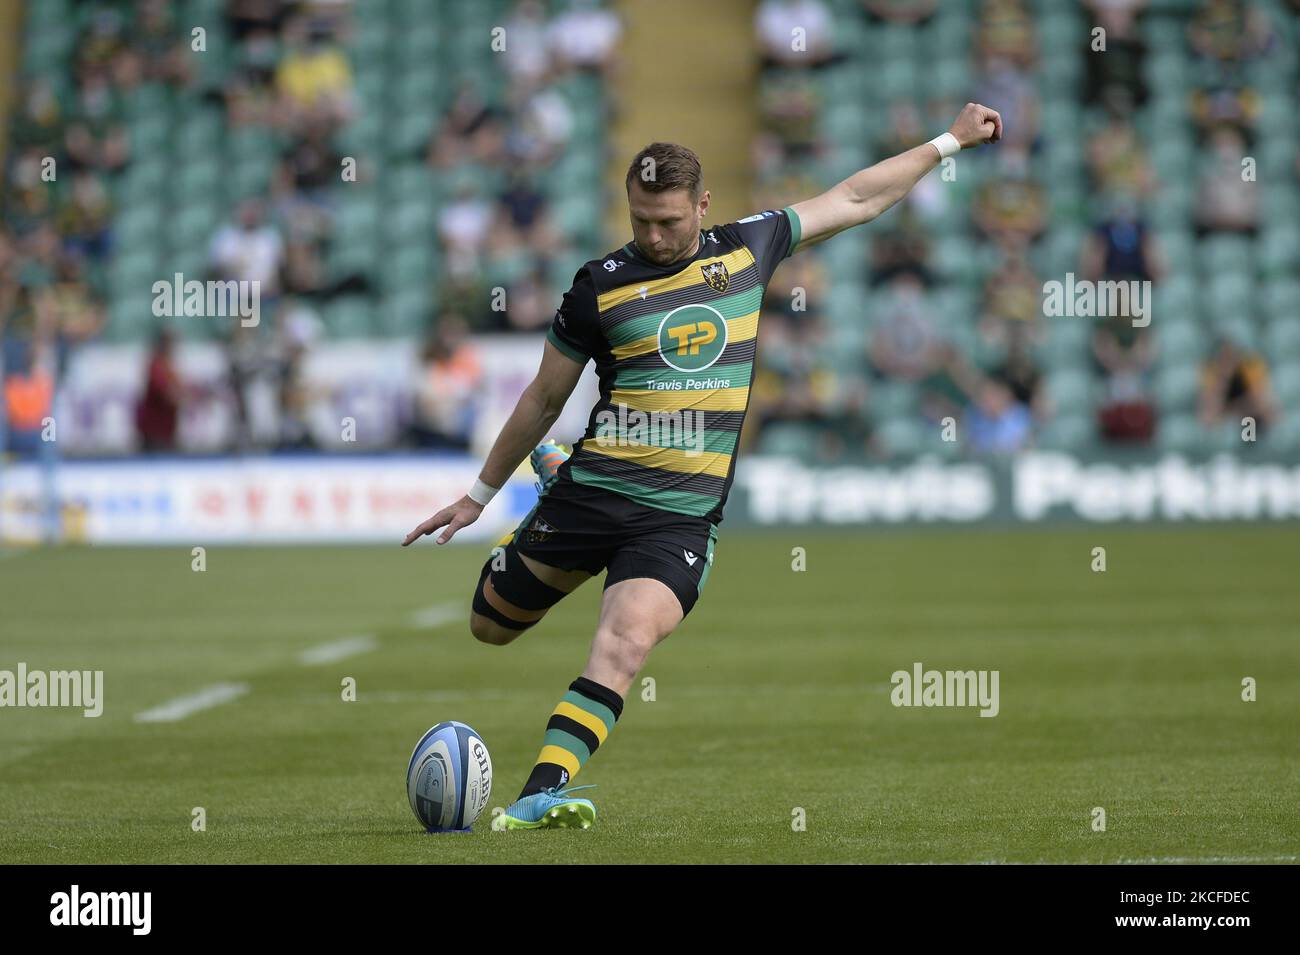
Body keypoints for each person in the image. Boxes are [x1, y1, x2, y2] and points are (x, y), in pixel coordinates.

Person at [403, 104, 1003, 830]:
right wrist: (477, 495)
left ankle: (541, 791)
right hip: (591, 493)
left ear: (704, 205)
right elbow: (543, 395)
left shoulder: (749, 250)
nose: (654, 235)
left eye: (669, 221)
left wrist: (949, 142)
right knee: (489, 627)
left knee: (623, 641)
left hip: (677, 516)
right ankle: (555, 473)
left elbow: (855, 196)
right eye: (640, 220)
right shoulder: (598, 284)